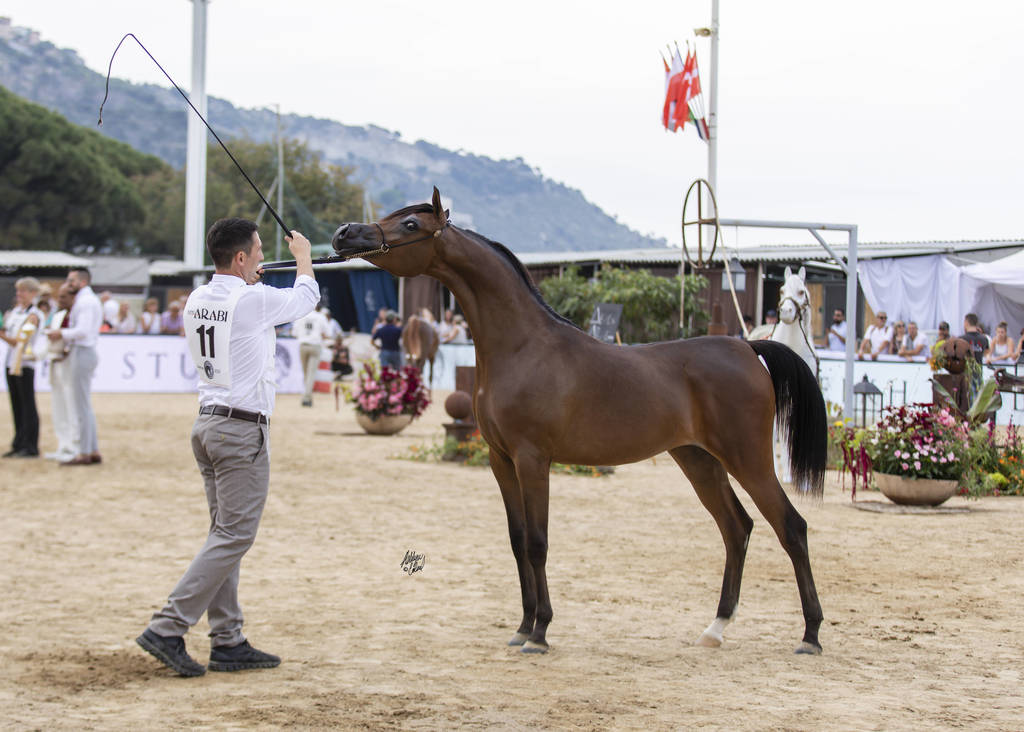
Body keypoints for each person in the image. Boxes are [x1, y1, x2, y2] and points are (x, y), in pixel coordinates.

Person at [136, 219, 317, 678]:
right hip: (240, 430)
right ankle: (168, 625)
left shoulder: (199, 297)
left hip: (207, 423)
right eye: (257, 252)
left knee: (224, 533)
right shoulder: (251, 299)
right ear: (240, 258)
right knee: (235, 535)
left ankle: (228, 639)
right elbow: (305, 299)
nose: (260, 258)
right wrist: (303, 259)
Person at [48, 267, 102, 466]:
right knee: (83, 404)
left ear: (82, 282)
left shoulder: (86, 301)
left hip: (82, 351)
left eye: (71, 280)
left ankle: (84, 452)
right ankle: (91, 449)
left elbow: (83, 331)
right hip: (81, 351)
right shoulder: (86, 300)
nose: (68, 283)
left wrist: (60, 333)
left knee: (80, 405)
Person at [1, 277, 43, 457]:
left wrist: (1, 335)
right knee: (16, 404)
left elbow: (20, 340)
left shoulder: (34, 315)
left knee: (27, 405)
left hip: (24, 363)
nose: (19, 294)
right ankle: (18, 442)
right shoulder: (15, 312)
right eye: (18, 291)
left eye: (23, 291)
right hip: (11, 362)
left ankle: (30, 445)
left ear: (33, 293)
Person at [44, 283, 79, 462]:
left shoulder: (75, 316)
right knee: (58, 404)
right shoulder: (56, 315)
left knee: (71, 404)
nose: (60, 300)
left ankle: (74, 447)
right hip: (54, 361)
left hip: (69, 362)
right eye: (59, 297)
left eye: (64, 297)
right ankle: (63, 444)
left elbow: (79, 336)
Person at [293, 302, 331, 407]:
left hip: (303, 345)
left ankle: (307, 397)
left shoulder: (300, 315)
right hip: (315, 346)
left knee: (306, 373)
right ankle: (307, 397)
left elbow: (294, 333)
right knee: (311, 373)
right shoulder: (321, 317)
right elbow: (328, 333)